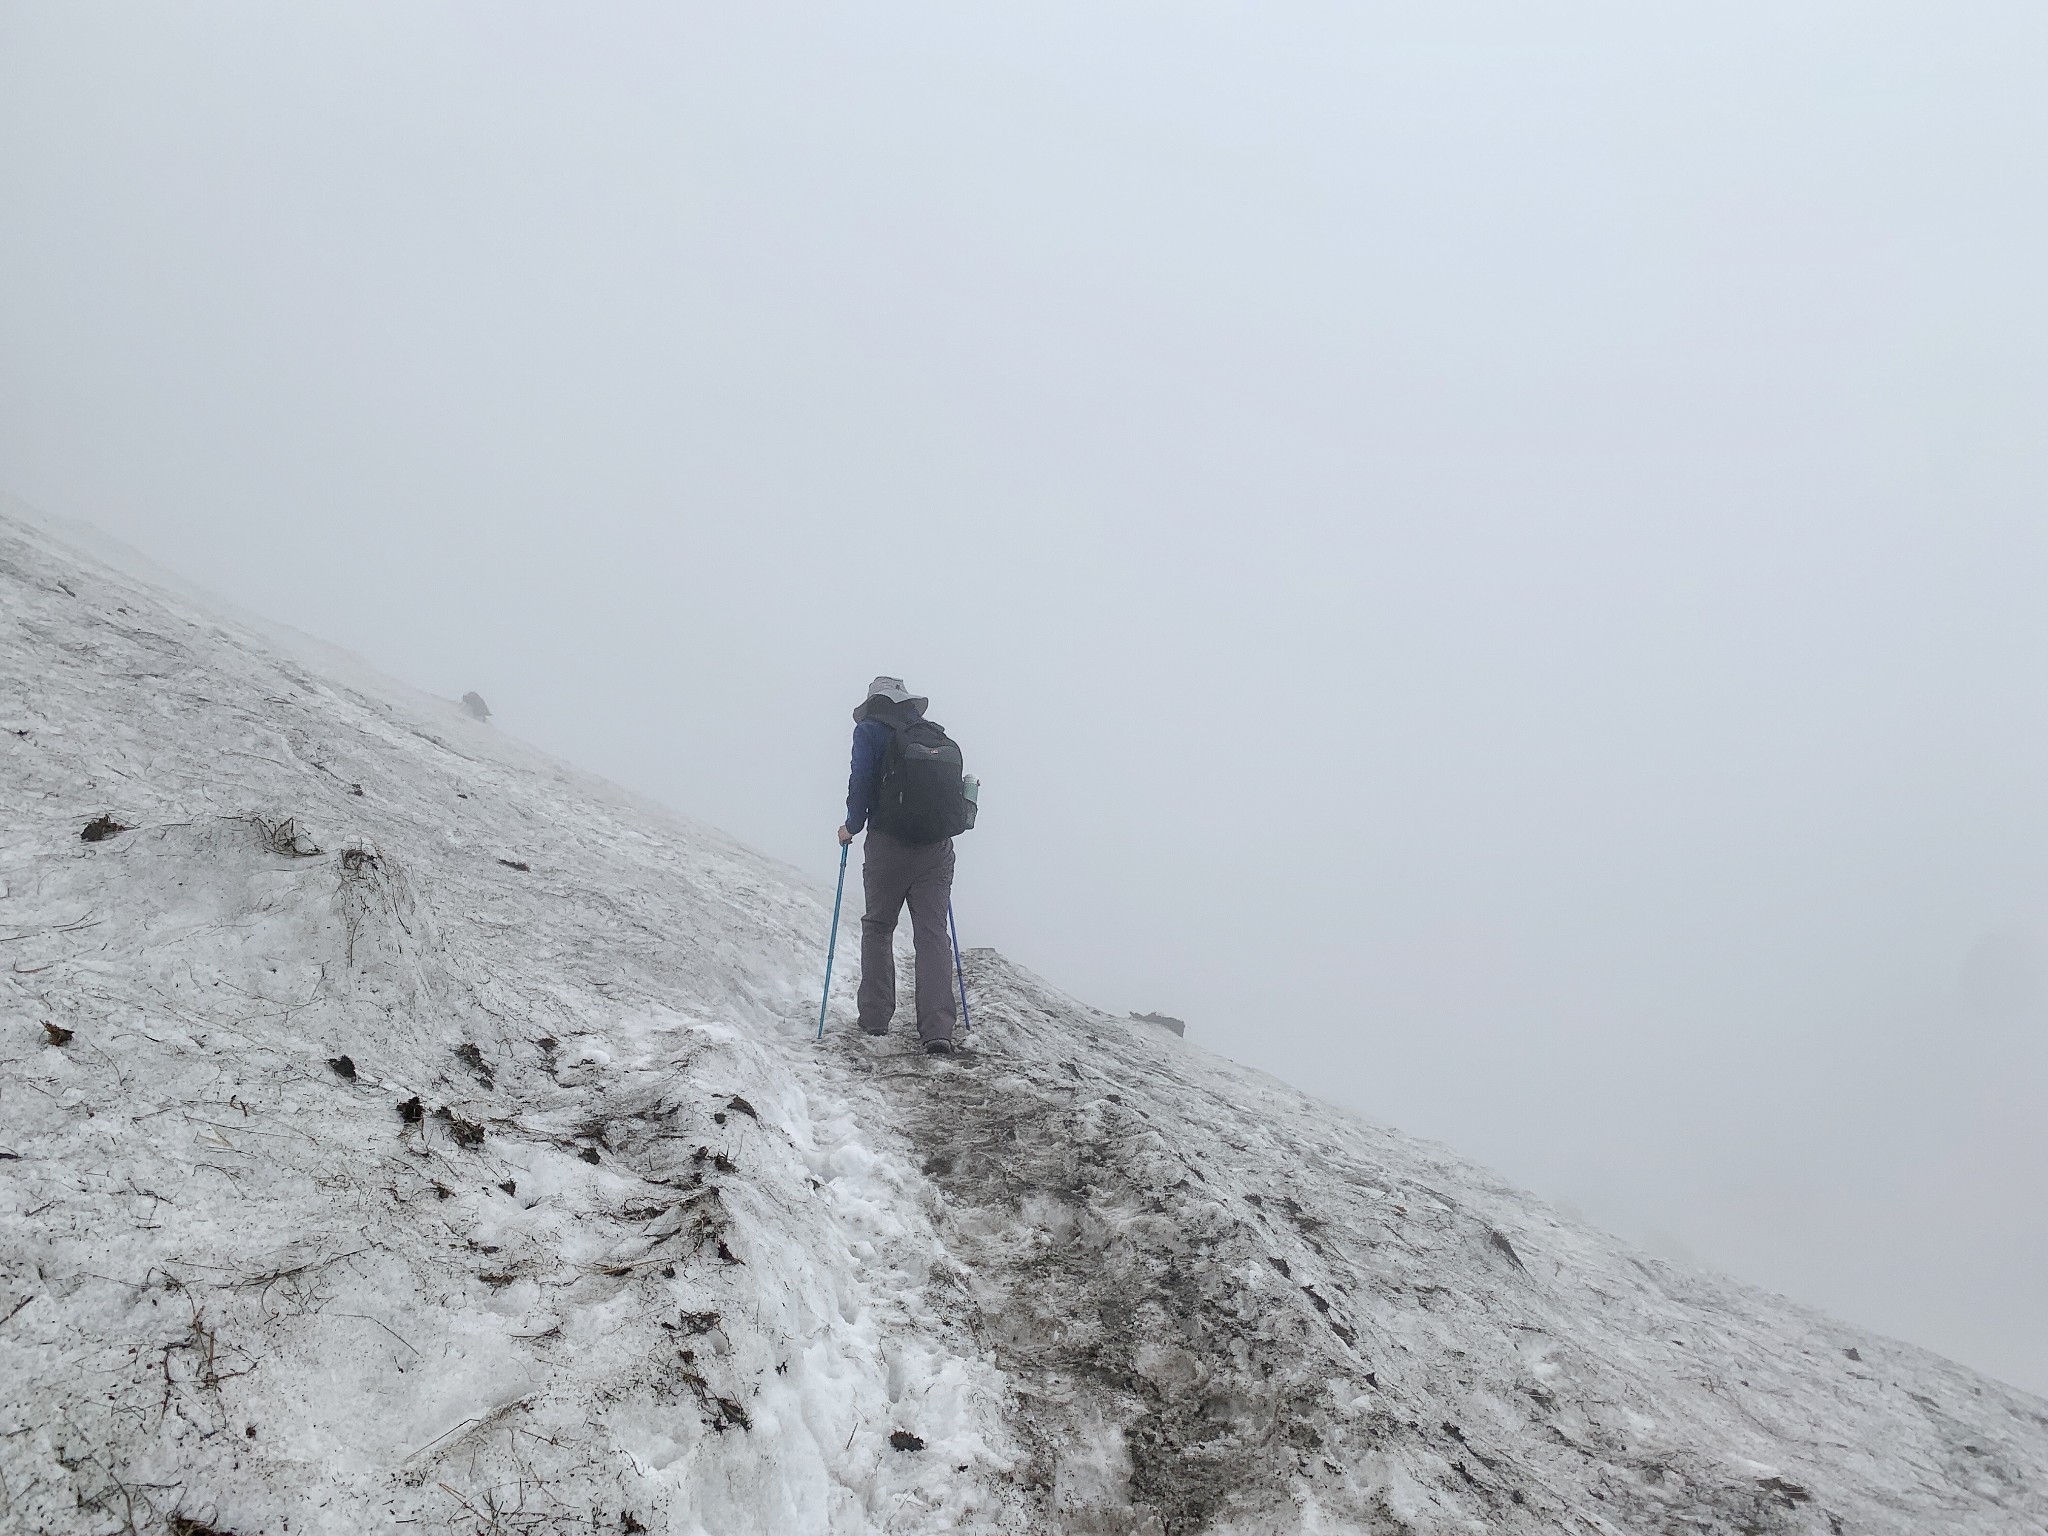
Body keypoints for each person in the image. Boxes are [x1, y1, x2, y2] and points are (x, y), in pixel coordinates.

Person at [838, 676, 959, 1054]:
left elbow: (861, 780)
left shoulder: (870, 731)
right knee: (932, 936)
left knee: (878, 927)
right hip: (936, 849)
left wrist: (851, 826)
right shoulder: (934, 734)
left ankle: (875, 1019)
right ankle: (938, 1029)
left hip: (888, 845)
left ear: (874, 700)